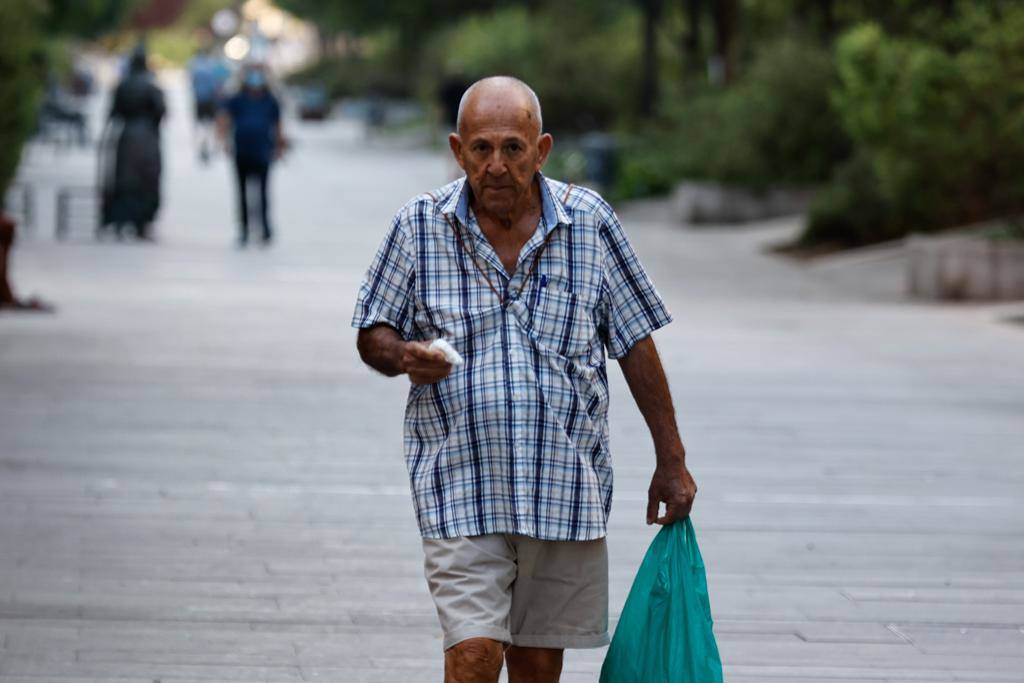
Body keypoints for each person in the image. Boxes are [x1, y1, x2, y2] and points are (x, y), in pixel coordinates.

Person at [352, 76, 697, 683]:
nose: (497, 165)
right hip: (460, 487)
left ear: (542, 150)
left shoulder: (589, 224)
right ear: (458, 151)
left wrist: (671, 459)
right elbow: (370, 331)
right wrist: (404, 354)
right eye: (481, 149)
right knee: (474, 657)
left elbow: (636, 341)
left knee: (538, 669)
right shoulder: (418, 226)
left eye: (513, 148)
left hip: (564, 488)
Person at [217, 65, 285, 247]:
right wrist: (223, 141)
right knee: (242, 192)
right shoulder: (237, 99)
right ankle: (244, 229)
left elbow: (278, 125)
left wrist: (279, 147)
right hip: (242, 151)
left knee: (263, 192)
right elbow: (224, 119)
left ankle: (265, 229)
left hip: (263, 151)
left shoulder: (271, 100)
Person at [101, 47, 165, 241]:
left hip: (127, 135)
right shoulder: (151, 86)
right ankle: (141, 223)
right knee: (145, 180)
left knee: (126, 179)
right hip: (147, 136)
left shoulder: (123, 85)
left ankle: (122, 220)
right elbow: (160, 111)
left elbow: (113, 112)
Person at [188, 47, 230, 163]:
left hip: (199, 100)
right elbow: (216, 85)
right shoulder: (210, 66)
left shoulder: (194, 65)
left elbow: (191, 82)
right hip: (210, 100)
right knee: (211, 124)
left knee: (200, 124)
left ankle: (202, 144)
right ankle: (210, 145)